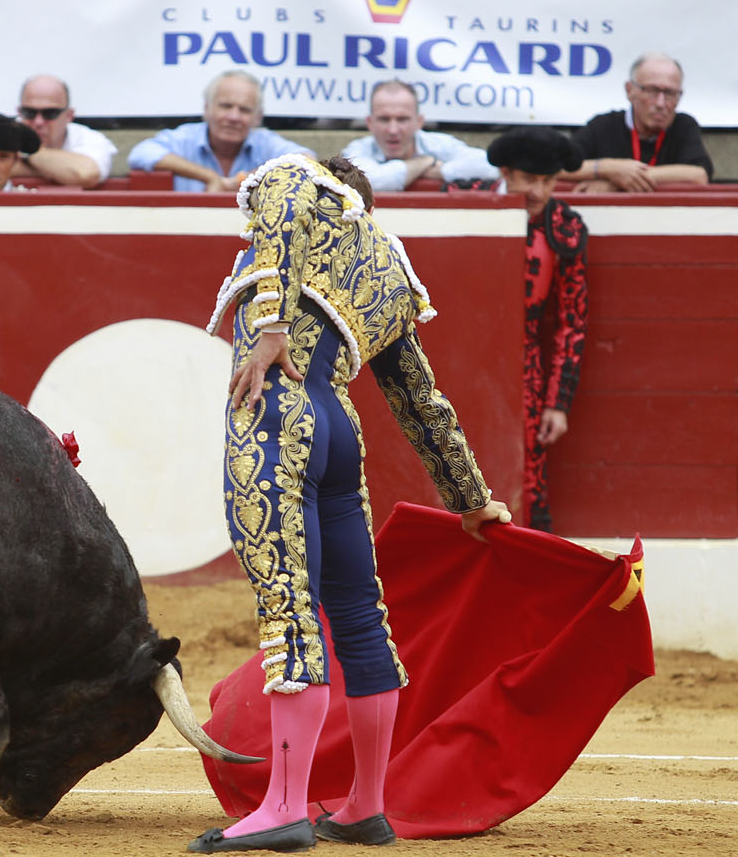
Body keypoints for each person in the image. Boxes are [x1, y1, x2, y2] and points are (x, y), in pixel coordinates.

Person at [188, 154, 510, 854]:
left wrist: (270, 328)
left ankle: (283, 807)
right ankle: (364, 804)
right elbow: (420, 399)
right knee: (361, 617)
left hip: (277, 420)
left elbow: (282, 205)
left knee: (290, 610)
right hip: (339, 437)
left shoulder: (293, 183)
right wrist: (472, 499)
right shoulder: (384, 268)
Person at [487, 127, 589, 533]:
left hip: (524, 363)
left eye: (549, 181)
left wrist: (557, 402)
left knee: (528, 478)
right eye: (530, 179)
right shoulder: (476, 199)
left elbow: (573, 321)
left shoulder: (564, 226)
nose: (540, 192)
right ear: (507, 173)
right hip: (461, 356)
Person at [127, 71, 311, 193]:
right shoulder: (185, 137)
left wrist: (244, 180)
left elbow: (307, 159)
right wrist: (209, 176)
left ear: (258, 117)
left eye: (244, 110)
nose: (233, 116)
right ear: (206, 109)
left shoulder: (265, 141)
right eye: (226, 106)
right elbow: (140, 154)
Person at [566, 52, 712, 192]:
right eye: (652, 90)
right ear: (629, 90)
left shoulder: (683, 125)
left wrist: (620, 181)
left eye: (670, 93)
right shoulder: (604, 125)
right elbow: (558, 166)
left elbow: (698, 175)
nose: (661, 103)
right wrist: (608, 168)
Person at [341, 79, 497, 191]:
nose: (393, 130)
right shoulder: (358, 149)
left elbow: (490, 166)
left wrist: (442, 171)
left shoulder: (437, 144)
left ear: (419, 122)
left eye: (402, 119)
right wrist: (423, 163)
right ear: (369, 122)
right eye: (384, 119)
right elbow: (369, 181)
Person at [12, 75, 117, 188]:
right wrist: (63, 171)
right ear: (19, 112)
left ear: (69, 116)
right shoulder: (5, 131)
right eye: (29, 112)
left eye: (50, 113)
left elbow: (86, 175)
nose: (38, 122)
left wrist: (27, 153)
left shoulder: (90, 139)